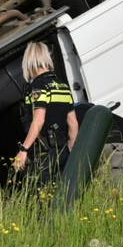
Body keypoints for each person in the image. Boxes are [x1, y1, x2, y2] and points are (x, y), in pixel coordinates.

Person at [14, 41, 79, 184]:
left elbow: (38, 120)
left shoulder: (38, 86)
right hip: (64, 150)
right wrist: (71, 153)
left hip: (44, 153)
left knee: (42, 197)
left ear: (29, 62)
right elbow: (73, 124)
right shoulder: (62, 85)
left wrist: (24, 150)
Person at [74, 102, 123, 183]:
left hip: (96, 144)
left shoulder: (73, 113)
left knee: (101, 181)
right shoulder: (102, 111)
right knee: (116, 184)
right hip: (113, 142)